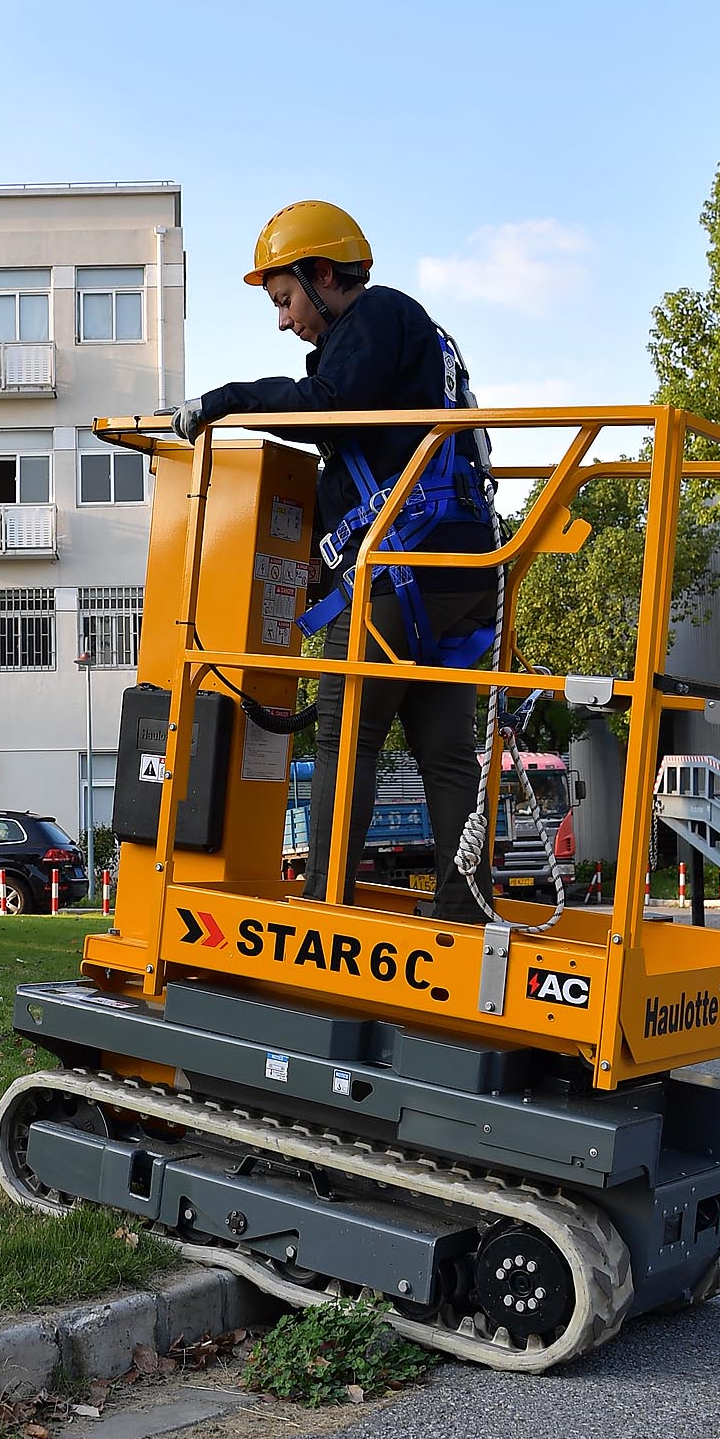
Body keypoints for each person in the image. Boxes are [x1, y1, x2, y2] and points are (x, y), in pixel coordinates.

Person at [173, 200, 497, 920]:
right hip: (458, 572)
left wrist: (222, 404)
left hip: (407, 572)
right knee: (444, 747)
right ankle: (463, 908)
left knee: (345, 732)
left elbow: (325, 403)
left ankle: (322, 907)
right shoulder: (418, 342)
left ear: (323, 274)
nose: (285, 321)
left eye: (285, 298)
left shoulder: (378, 316)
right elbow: (359, 450)